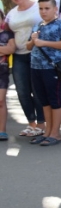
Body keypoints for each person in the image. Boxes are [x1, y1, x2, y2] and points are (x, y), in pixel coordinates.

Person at [26, 0, 61, 146]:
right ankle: (47, 132)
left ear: (55, 9)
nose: (43, 11)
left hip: (52, 68)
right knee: (43, 101)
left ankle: (55, 133)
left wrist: (42, 42)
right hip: (35, 67)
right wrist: (33, 40)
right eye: (41, 8)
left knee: (55, 100)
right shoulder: (38, 25)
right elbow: (28, 46)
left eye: (47, 8)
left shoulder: (60, 24)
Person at [5, 0, 46, 136]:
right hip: (18, 55)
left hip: (37, 54)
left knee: (37, 90)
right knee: (22, 91)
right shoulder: (12, 13)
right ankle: (31, 123)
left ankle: (41, 124)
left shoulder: (39, 6)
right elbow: (6, 32)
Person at [0, 12, 14, 141]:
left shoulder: (7, 35)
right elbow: (6, 49)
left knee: (1, 101)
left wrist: (6, 49)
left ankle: (2, 131)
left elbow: (11, 49)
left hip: (2, 73)